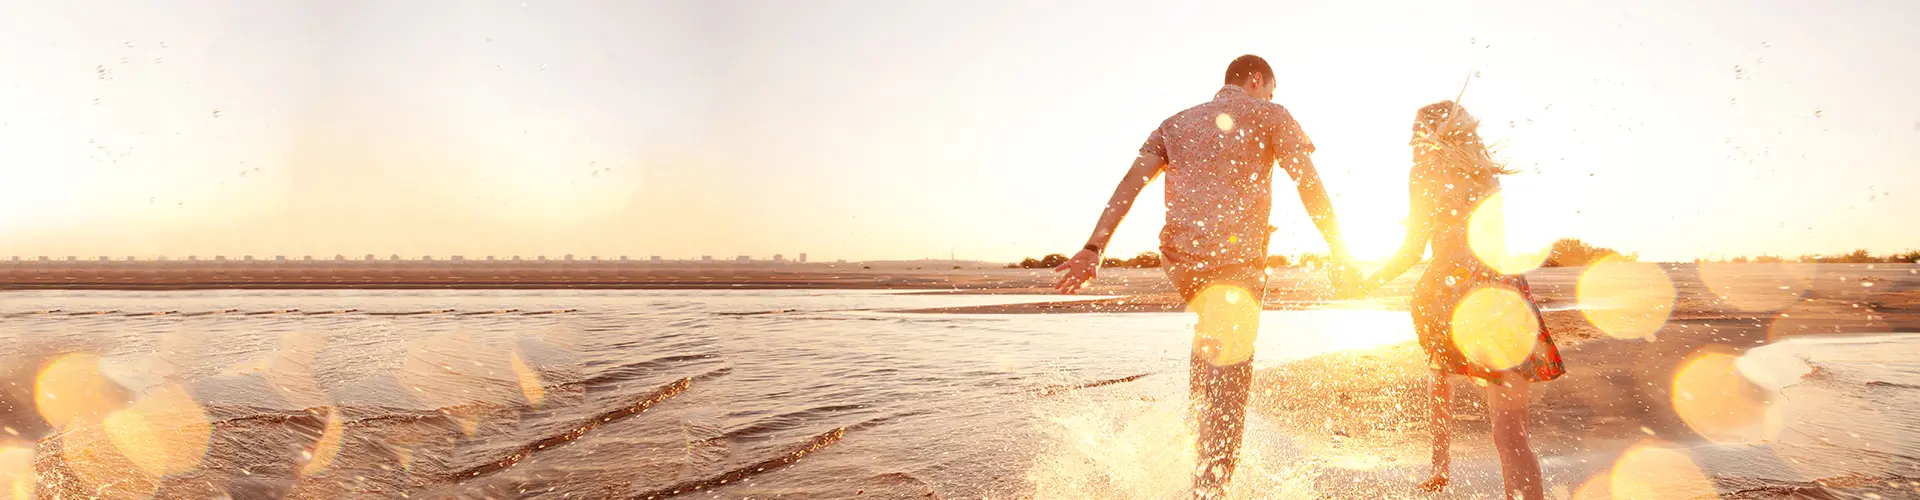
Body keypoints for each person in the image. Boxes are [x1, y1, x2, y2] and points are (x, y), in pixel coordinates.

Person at [1051, 54, 1359, 499]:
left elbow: (1130, 184)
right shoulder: (1271, 114)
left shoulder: (1176, 123)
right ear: (1258, 80)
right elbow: (1307, 183)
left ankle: (1194, 445)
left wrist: (1094, 248)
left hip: (1181, 262)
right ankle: (1209, 492)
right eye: (1270, 90)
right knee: (1231, 383)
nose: (1271, 97)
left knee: (1210, 342)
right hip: (1235, 263)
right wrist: (1340, 250)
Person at [1358, 101, 1565, 500]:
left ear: (1433, 135)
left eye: (1416, 130)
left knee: (1439, 365)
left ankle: (1440, 462)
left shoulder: (1424, 172)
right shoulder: (1486, 173)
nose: (1409, 139)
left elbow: (1413, 249)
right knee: (1512, 435)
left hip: (1452, 291)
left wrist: (1367, 282)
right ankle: (1447, 466)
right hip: (1505, 295)